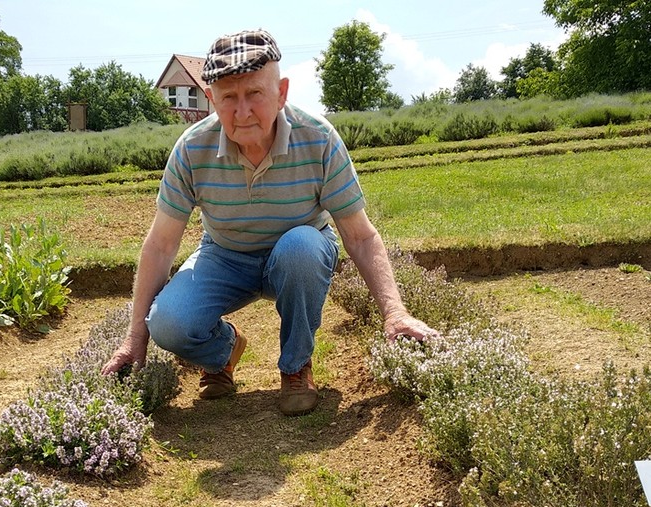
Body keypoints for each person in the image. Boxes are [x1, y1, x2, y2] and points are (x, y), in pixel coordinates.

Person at [102, 29, 437, 416]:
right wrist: (136, 338)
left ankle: (296, 366)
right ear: (211, 99)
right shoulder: (192, 148)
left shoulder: (318, 139)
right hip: (225, 255)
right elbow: (161, 245)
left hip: (300, 254)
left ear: (281, 92)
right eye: (229, 97)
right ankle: (223, 351)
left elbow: (360, 237)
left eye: (255, 94)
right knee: (167, 323)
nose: (242, 111)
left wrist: (395, 313)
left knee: (301, 246)